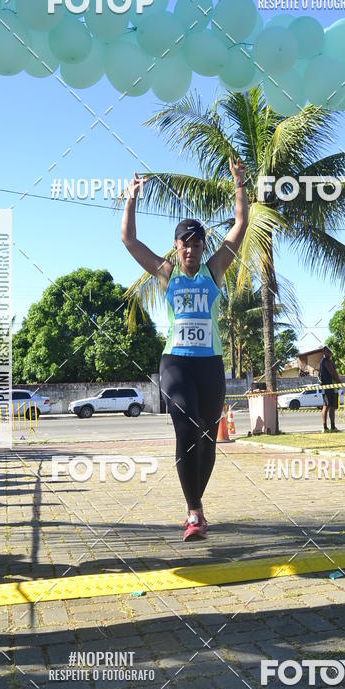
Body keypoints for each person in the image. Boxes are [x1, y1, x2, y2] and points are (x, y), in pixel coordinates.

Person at [122, 156, 249, 540]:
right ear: (176, 247)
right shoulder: (166, 273)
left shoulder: (214, 271)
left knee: (208, 436)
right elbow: (129, 240)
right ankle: (193, 513)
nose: (190, 250)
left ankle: (197, 505)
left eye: (196, 244)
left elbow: (240, 224)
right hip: (175, 363)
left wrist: (239, 183)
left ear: (202, 245)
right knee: (185, 427)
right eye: (184, 245)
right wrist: (131, 199)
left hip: (210, 364)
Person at [319, 346, 340, 432]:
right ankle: (325, 427)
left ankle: (333, 427)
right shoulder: (326, 362)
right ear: (324, 353)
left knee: (332, 406)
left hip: (332, 387)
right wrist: (339, 381)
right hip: (328, 387)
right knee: (326, 406)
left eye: (330, 351)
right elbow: (333, 373)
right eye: (328, 351)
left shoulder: (329, 361)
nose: (330, 353)